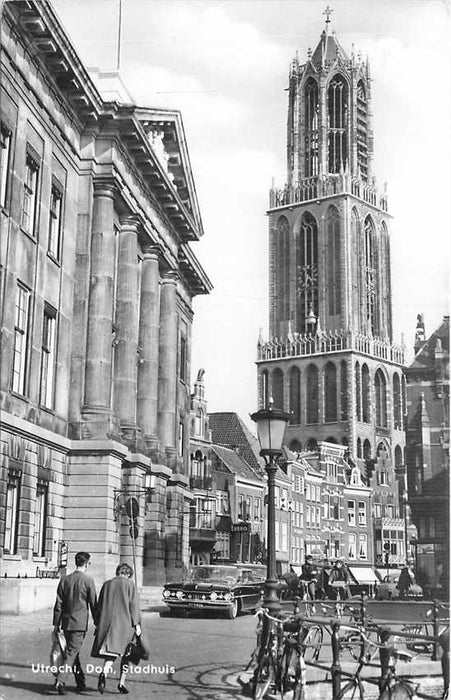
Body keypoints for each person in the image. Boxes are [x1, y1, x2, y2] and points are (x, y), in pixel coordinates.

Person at [91, 563, 143, 695]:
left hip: (109, 625)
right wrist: (137, 625)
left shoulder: (107, 584)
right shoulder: (129, 584)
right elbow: (134, 606)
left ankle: (103, 674)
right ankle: (121, 683)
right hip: (125, 625)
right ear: (127, 574)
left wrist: (98, 622)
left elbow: (99, 605)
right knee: (127, 653)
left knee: (111, 653)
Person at [53, 551, 97, 695]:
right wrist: (97, 622)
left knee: (73, 652)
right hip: (79, 624)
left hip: (66, 623)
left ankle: (80, 681)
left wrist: (56, 624)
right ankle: (60, 680)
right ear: (86, 564)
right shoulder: (88, 581)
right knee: (72, 652)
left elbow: (58, 603)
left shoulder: (65, 579)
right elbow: (93, 604)